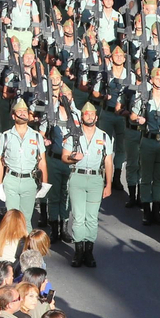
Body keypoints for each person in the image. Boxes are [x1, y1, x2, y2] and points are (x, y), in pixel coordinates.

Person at [60, 101, 115, 268]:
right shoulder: (74, 136)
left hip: (96, 179)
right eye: (86, 114)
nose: (90, 116)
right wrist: (72, 158)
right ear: (82, 117)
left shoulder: (104, 137)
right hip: (77, 176)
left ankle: (88, 252)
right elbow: (64, 157)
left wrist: (109, 184)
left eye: (92, 114)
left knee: (91, 217)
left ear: (96, 117)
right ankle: (78, 250)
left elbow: (108, 162)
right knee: (78, 216)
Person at [0, 98, 48, 223]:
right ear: (13, 116)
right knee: (12, 220)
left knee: (26, 221)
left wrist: (45, 183)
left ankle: (25, 243)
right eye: (20, 111)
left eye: (25, 111)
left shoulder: (36, 136)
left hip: (29, 181)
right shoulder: (6, 136)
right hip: (11, 180)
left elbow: (42, 162)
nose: (23, 113)